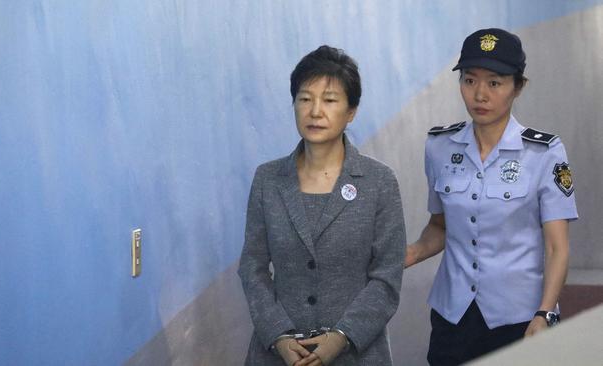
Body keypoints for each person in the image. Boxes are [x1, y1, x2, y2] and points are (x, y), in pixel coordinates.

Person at [405, 28, 578, 365]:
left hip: (519, 318)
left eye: (494, 83)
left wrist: (544, 314)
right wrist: (408, 253)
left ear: (518, 87)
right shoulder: (440, 147)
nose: (479, 94)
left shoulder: (545, 153)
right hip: (452, 315)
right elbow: (440, 227)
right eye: (469, 81)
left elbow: (558, 248)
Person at [238, 45, 405, 366]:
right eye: (305, 99)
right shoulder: (268, 179)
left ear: (351, 111)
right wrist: (278, 336)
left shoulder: (378, 181)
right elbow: (252, 267)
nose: (315, 111)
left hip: (357, 354)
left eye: (329, 100)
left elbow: (386, 276)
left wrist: (342, 337)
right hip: (278, 355)